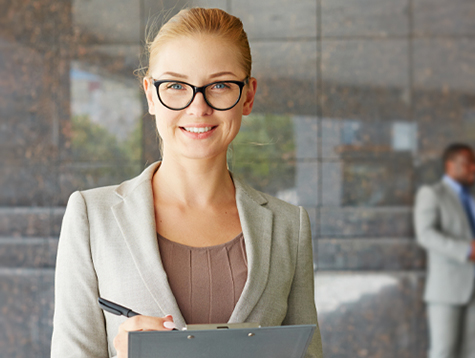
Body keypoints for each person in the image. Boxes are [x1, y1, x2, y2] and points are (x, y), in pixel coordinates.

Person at [50, 8, 322, 358]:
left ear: (248, 95)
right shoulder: (91, 218)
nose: (198, 107)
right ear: (150, 94)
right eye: (176, 86)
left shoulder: (289, 226)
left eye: (220, 85)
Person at [414, 143, 475, 358]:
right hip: (447, 288)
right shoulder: (432, 194)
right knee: (444, 352)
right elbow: (425, 234)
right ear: (450, 165)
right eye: (468, 163)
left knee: (472, 352)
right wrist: (465, 251)